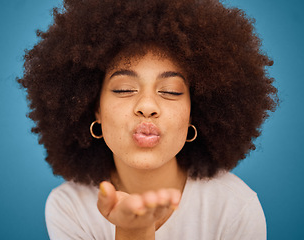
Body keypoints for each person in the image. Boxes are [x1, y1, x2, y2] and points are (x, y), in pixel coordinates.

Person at [18, 0, 278, 239]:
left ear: (193, 115)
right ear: (94, 108)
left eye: (171, 91)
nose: (147, 107)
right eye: (123, 89)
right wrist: (132, 231)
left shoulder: (235, 207)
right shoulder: (69, 205)